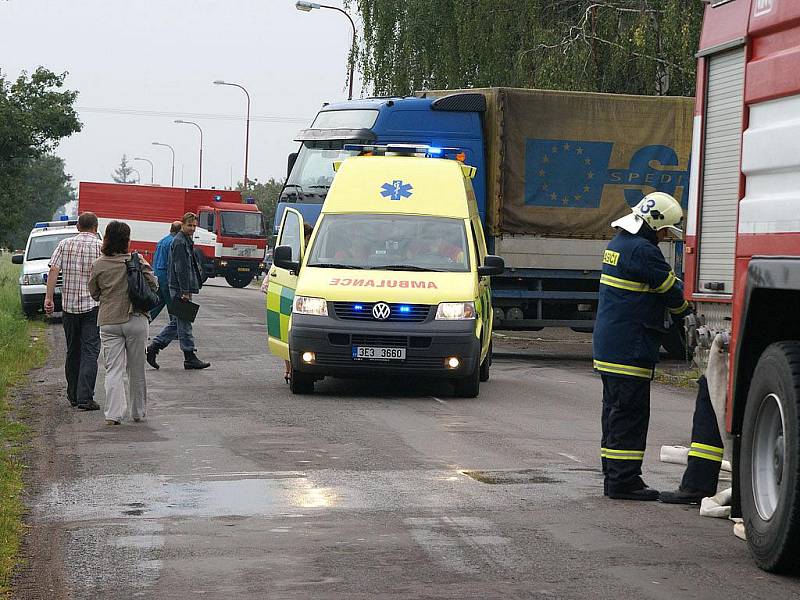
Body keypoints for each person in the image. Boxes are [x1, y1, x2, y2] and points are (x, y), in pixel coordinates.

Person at [593, 192, 692, 501]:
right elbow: (672, 294)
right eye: (665, 230)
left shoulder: (619, 244)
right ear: (656, 222)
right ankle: (625, 482)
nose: (665, 237)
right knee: (630, 415)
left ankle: (613, 475)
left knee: (614, 412)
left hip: (611, 345)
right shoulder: (643, 251)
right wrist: (690, 314)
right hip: (630, 347)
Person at [88, 221, 158, 425]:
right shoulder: (137, 260)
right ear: (127, 240)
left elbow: (94, 293)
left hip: (109, 321)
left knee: (113, 369)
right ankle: (138, 412)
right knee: (136, 369)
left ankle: (113, 414)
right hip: (136, 319)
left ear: (107, 238)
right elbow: (153, 285)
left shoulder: (99, 264)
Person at [44, 212, 103, 411]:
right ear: (95, 227)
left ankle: (73, 395)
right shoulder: (100, 247)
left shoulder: (64, 244)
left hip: (69, 308)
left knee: (72, 351)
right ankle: (85, 397)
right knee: (89, 351)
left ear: (78, 227)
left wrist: (49, 298)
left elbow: (53, 270)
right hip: (93, 307)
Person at [146, 212, 210, 370]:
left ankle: (154, 348)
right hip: (179, 288)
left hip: (179, 286)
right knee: (185, 322)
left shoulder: (185, 240)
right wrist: (185, 291)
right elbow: (181, 268)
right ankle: (189, 356)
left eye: (195, 226)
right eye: (190, 225)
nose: (193, 229)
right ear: (182, 225)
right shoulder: (180, 242)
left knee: (177, 322)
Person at [263, 223, 313, 383]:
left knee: (288, 331)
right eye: (307, 238)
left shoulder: (305, 251)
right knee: (287, 331)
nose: (309, 241)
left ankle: (290, 370)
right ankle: (289, 369)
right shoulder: (298, 252)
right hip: (289, 291)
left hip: (297, 294)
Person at [149, 220, 182, 320]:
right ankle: (175, 329)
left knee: (157, 304)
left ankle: (144, 322)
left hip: (157, 274)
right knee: (173, 305)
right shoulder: (174, 242)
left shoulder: (162, 241)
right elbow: (173, 263)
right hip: (166, 276)